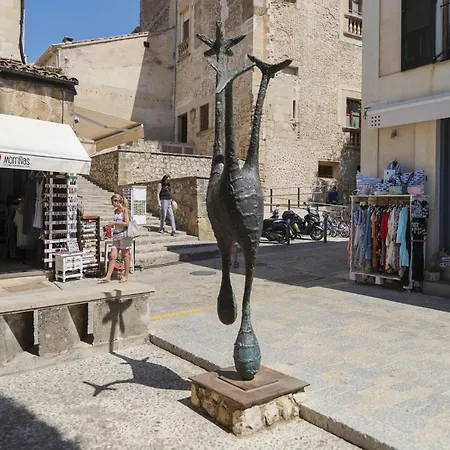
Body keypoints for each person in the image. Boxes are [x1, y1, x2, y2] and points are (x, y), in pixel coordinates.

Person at [101, 194, 131, 283]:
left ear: (117, 201)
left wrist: (114, 223)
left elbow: (126, 223)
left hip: (124, 235)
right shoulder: (115, 211)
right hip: (116, 235)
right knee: (112, 255)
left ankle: (126, 275)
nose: (112, 204)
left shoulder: (124, 210)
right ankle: (108, 276)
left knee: (125, 255)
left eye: (113, 202)